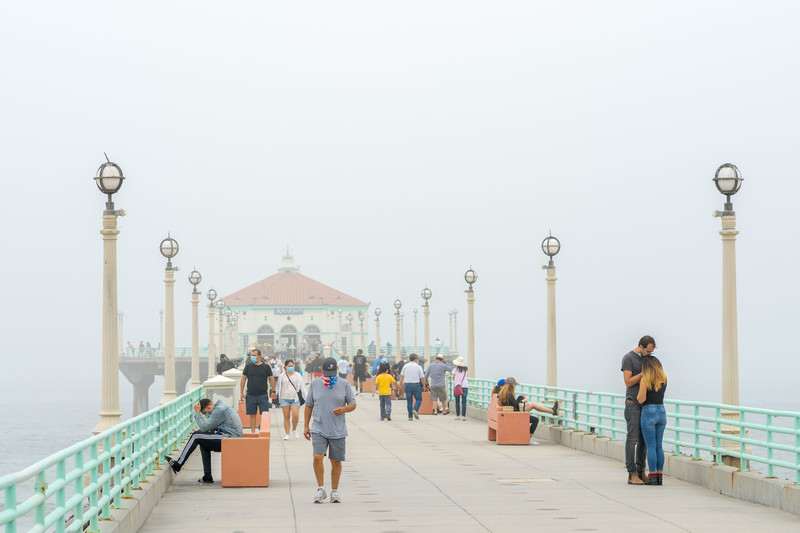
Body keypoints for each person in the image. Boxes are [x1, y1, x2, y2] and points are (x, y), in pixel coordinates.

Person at [304, 357, 357, 503]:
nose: (330, 376)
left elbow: (353, 403)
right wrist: (306, 425)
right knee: (317, 457)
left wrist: (344, 408)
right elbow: (309, 405)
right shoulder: (315, 384)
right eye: (327, 373)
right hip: (319, 427)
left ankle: (334, 491)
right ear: (322, 370)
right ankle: (321, 489)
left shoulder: (344, 384)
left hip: (337, 429)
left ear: (337, 370)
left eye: (332, 373)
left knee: (336, 461)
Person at [164, 398, 243, 483]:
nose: (206, 415)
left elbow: (204, 427)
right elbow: (209, 427)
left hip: (230, 439)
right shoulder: (222, 407)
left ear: (208, 408)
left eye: (205, 413)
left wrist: (198, 413)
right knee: (203, 441)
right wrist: (204, 430)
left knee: (196, 436)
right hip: (232, 438)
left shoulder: (219, 410)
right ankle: (207, 476)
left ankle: (178, 464)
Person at [621, 335, 656, 485]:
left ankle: (642, 471)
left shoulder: (647, 359)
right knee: (632, 439)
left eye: (651, 353)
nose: (648, 355)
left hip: (646, 405)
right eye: (647, 351)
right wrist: (644, 373)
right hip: (632, 404)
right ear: (641, 347)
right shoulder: (628, 358)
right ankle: (631, 473)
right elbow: (628, 382)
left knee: (644, 441)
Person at [497, 378, 559, 445]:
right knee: (535, 418)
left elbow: (513, 403)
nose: (515, 386)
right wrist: (524, 401)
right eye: (515, 384)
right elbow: (516, 405)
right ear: (512, 385)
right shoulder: (508, 394)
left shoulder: (502, 393)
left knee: (526, 401)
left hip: (511, 412)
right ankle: (529, 438)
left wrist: (522, 402)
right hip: (514, 414)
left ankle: (552, 411)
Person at [637, 356, 667, 486]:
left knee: (650, 446)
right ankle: (659, 476)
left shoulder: (645, 379)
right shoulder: (664, 378)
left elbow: (641, 399)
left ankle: (652, 476)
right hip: (662, 411)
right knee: (659, 446)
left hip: (649, 412)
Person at [240, 349, 276, 433]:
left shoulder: (266, 367)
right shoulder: (248, 367)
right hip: (251, 395)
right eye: (251, 355)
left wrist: (273, 391)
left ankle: (263, 431)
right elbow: (243, 379)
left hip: (262, 395)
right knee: (252, 414)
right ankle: (253, 432)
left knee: (264, 415)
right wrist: (241, 392)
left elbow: (271, 378)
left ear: (259, 356)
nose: (252, 357)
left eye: (254, 355)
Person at [276, 359, 307, 440]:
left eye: (292, 366)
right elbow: (278, 387)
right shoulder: (281, 376)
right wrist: (274, 394)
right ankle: (287, 434)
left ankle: (294, 429)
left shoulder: (298, 375)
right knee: (286, 417)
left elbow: (302, 387)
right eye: (289, 366)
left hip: (295, 398)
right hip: (284, 398)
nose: (291, 368)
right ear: (285, 367)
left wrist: (307, 398)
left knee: (295, 415)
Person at [398, 353, 427, 420]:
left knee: (409, 401)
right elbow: (422, 378)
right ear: (416, 359)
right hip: (415, 384)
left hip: (407, 385)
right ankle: (415, 409)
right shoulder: (418, 367)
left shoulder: (405, 366)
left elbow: (401, 376)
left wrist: (400, 385)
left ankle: (410, 416)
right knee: (419, 399)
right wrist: (424, 385)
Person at [451, 356, 469, 421]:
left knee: (457, 402)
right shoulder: (466, 370)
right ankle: (463, 416)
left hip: (458, 386)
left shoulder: (455, 370)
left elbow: (453, 378)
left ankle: (458, 415)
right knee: (464, 402)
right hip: (465, 386)